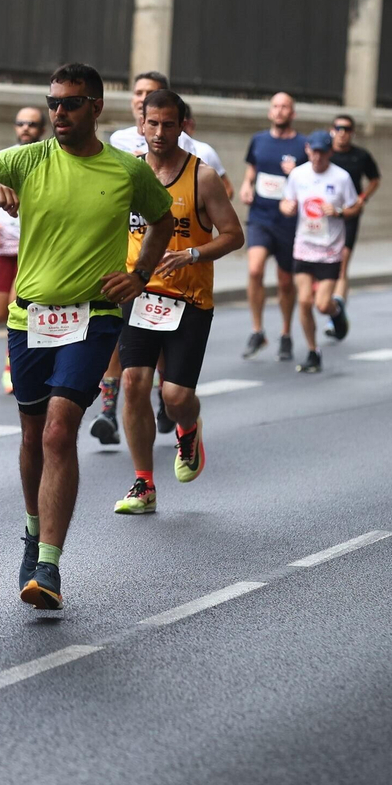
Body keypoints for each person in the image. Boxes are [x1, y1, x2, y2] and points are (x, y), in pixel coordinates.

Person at [0, 62, 175, 610]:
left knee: (59, 432)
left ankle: (48, 564)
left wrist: (139, 276)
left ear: (96, 107)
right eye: (53, 104)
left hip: (93, 316)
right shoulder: (27, 159)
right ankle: (31, 529)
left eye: (70, 103)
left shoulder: (125, 171)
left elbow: (161, 220)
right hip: (30, 318)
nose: (58, 113)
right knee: (31, 433)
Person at [114, 88, 244, 514]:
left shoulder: (201, 176)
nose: (159, 132)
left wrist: (193, 253)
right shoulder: (128, 173)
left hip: (189, 299)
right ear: (140, 124)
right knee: (133, 384)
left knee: (174, 396)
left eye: (169, 124)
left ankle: (188, 428)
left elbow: (233, 235)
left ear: (182, 125)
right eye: (152, 123)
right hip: (140, 293)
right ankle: (143, 484)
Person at [278, 132, 360, 373]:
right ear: (307, 150)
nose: (317, 157)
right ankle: (313, 351)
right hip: (304, 247)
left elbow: (355, 206)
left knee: (322, 305)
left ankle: (337, 311)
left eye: (322, 152)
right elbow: (285, 201)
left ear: (330, 153)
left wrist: (338, 211)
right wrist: (288, 207)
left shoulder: (341, 177)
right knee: (303, 301)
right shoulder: (298, 174)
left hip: (330, 250)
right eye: (314, 151)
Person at [240, 92, 308, 361]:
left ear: (293, 113)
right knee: (255, 270)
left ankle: (286, 333)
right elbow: (250, 172)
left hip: (289, 222)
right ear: (270, 112)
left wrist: (295, 173)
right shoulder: (258, 140)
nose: (280, 111)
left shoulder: (303, 145)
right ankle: (258, 330)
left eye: (285, 107)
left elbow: (309, 181)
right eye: (276, 107)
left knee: (285, 281)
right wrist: (247, 186)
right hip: (260, 216)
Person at [0, 107, 40, 393]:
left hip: (32, 247)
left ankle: (12, 363)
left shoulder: (47, 160)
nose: (26, 128)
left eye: (32, 124)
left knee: (18, 307)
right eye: (21, 123)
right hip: (0, 247)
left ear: (43, 128)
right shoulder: (3, 158)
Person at [326, 113, 382, 340]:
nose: (342, 132)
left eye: (347, 129)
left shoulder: (360, 155)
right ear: (332, 130)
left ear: (353, 132)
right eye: (338, 127)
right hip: (323, 218)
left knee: (342, 263)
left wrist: (362, 198)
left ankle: (336, 310)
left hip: (349, 214)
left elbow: (375, 179)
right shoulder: (324, 153)